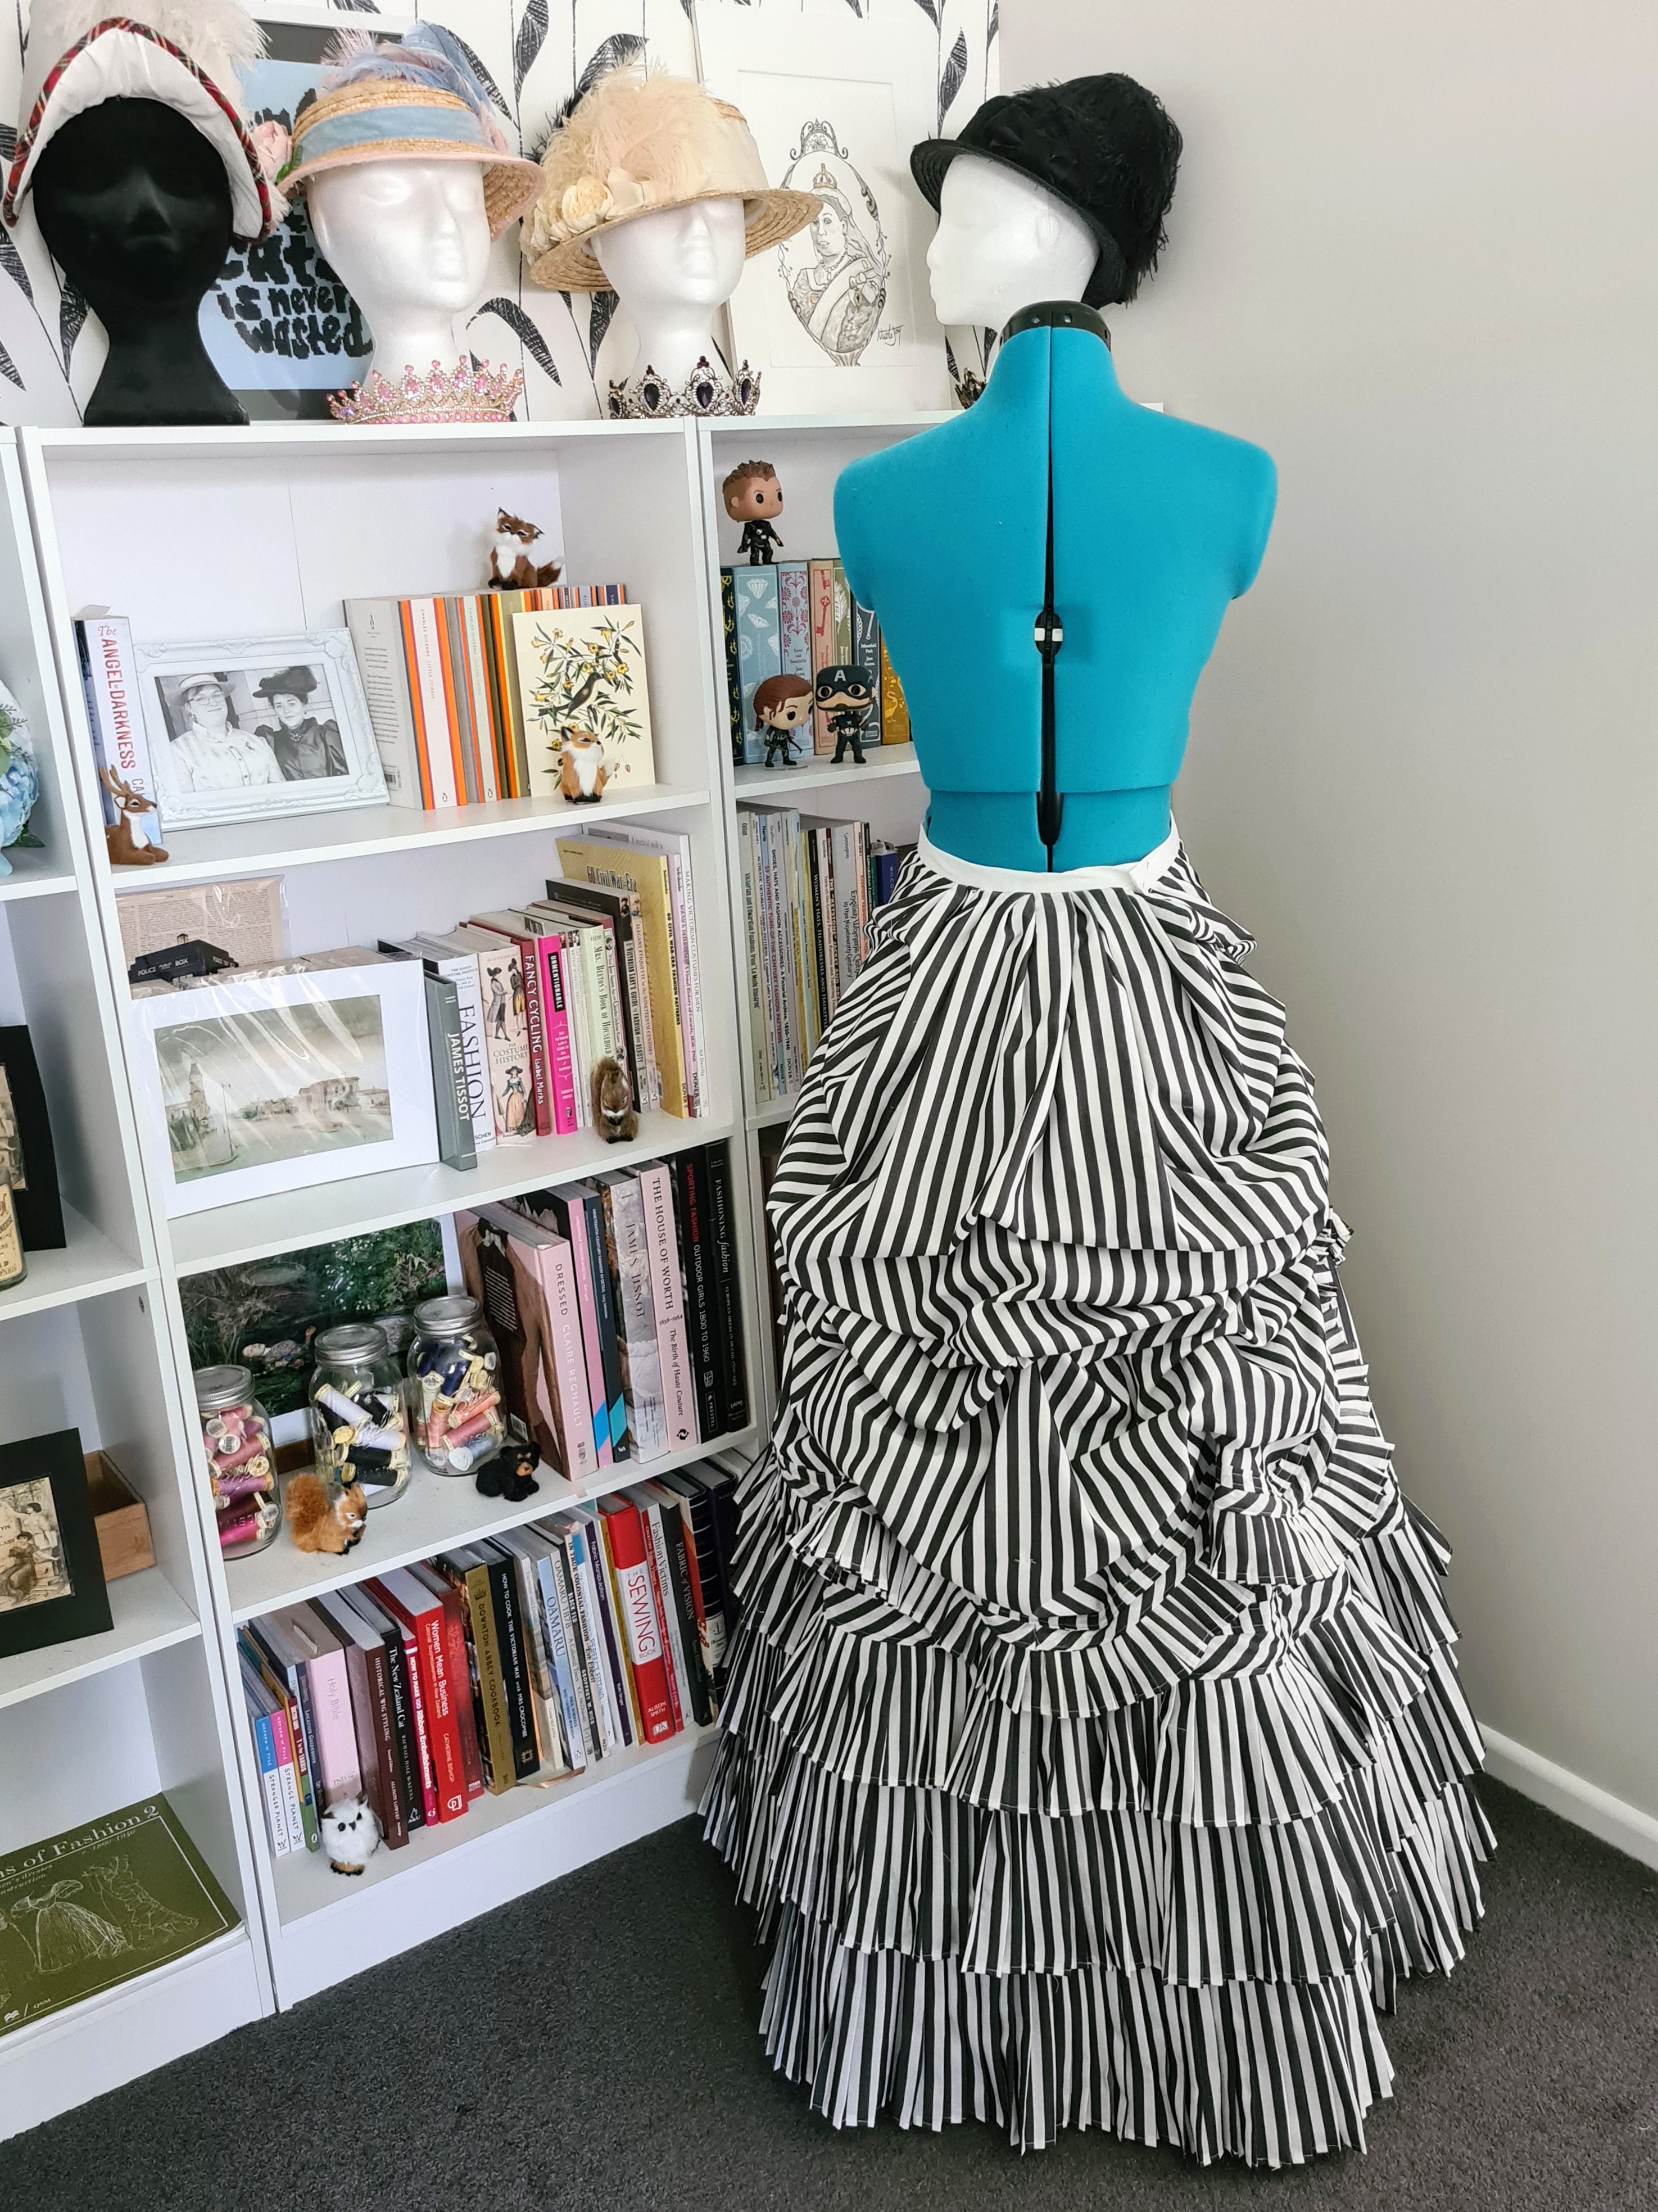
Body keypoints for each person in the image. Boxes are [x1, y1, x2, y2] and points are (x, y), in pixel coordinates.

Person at [161, 675, 280, 793]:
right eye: (201, 699)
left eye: (217, 696)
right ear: (189, 708)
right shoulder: (178, 751)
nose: (212, 702)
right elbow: (184, 801)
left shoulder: (257, 742)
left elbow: (279, 788)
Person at [252, 666, 347, 781]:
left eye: (291, 704)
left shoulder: (326, 735)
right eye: (279, 706)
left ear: (304, 704)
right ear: (275, 710)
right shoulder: (272, 741)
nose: (286, 711)